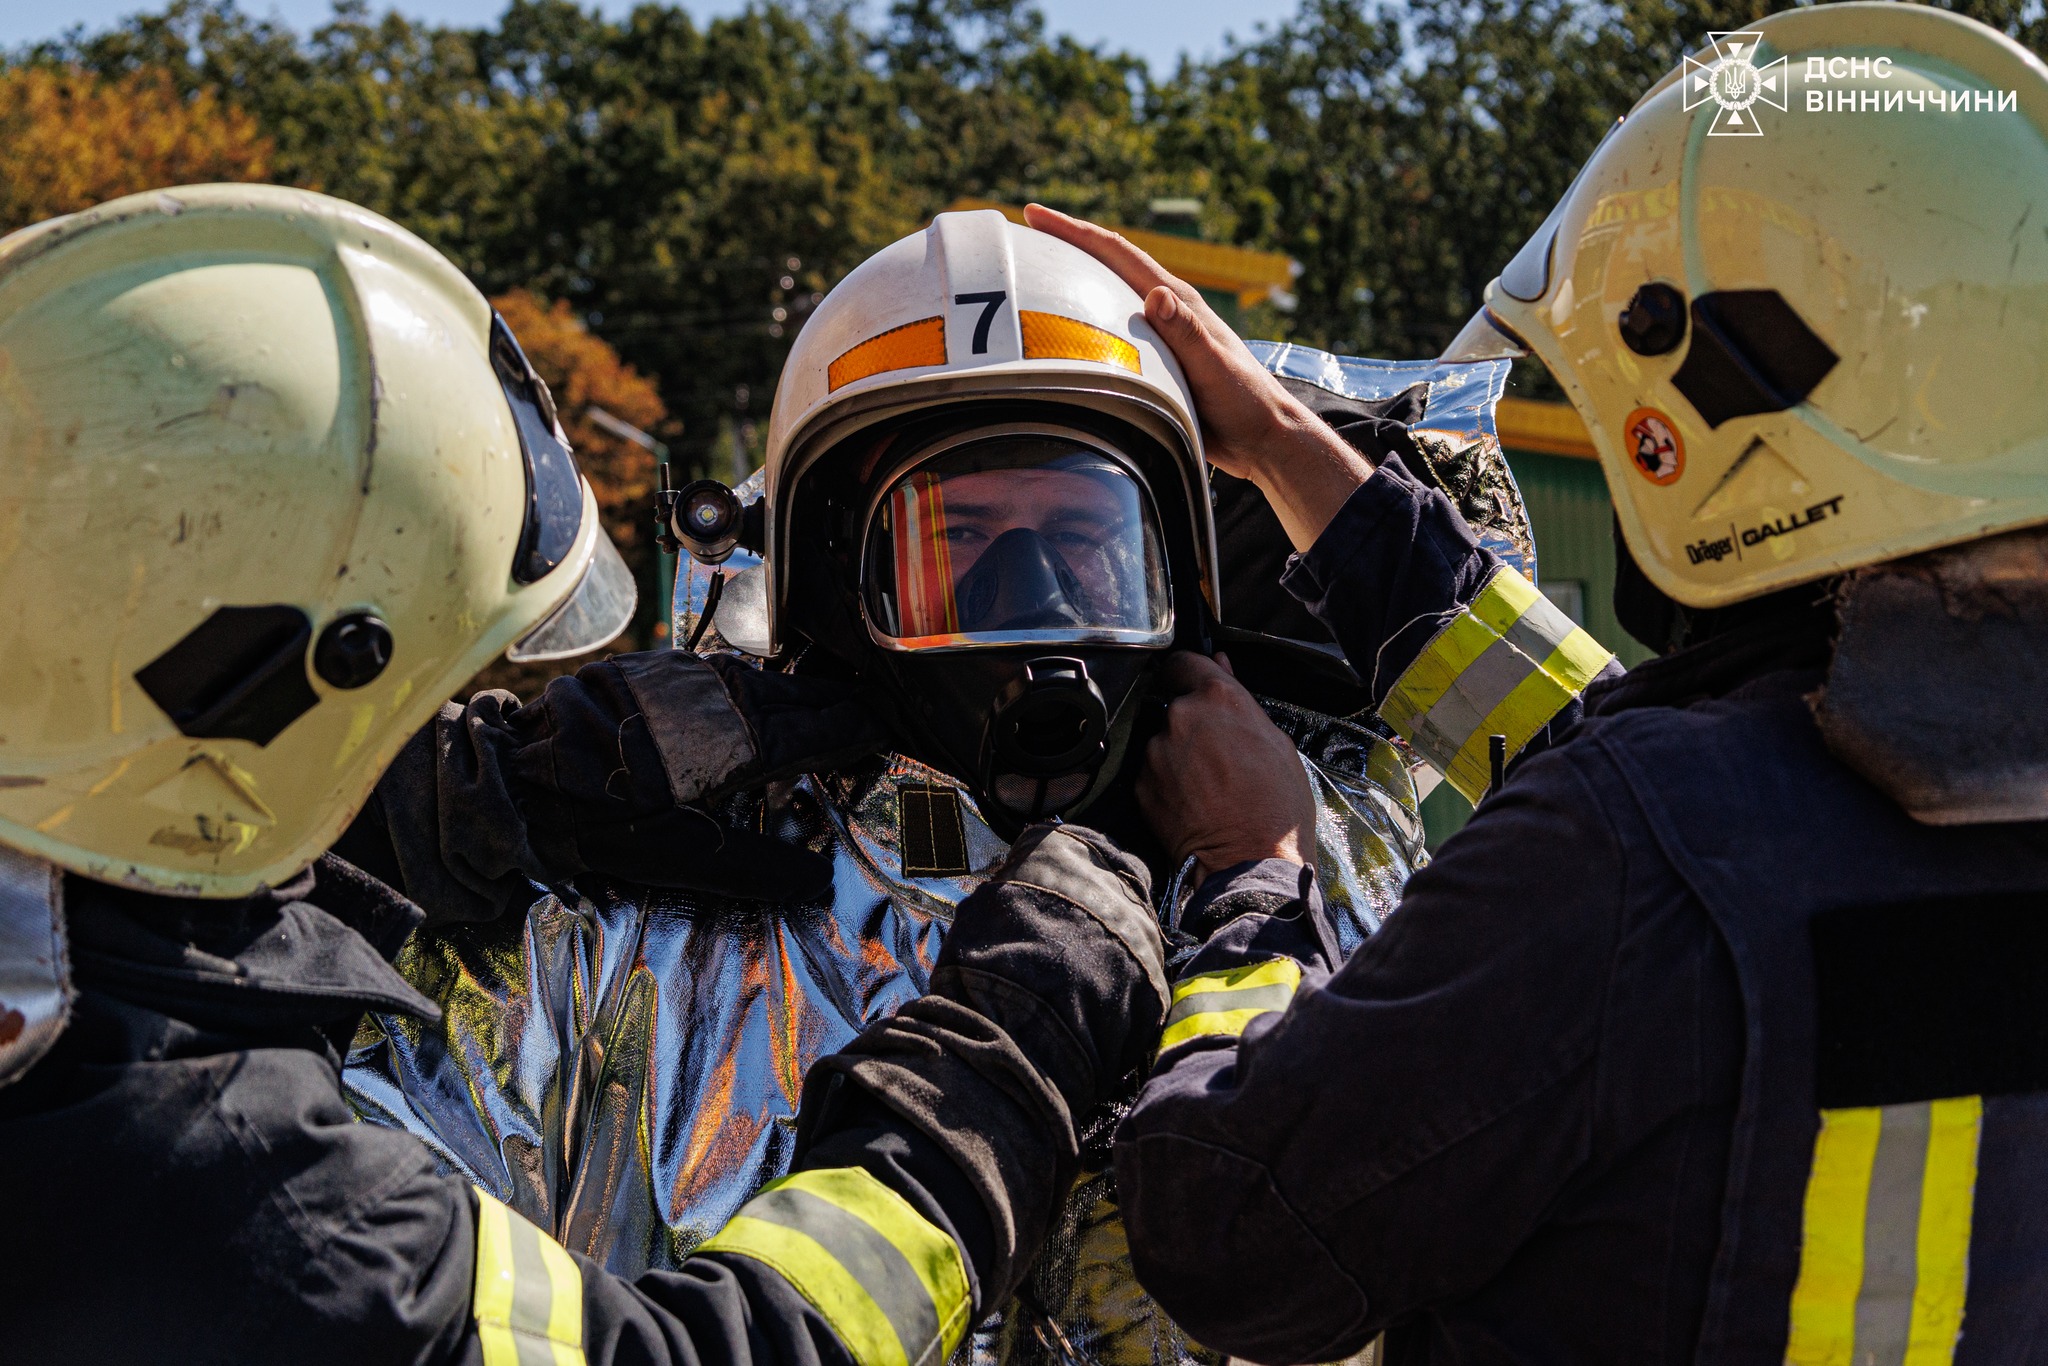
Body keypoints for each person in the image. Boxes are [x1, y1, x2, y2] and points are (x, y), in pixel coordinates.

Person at [0, 183, 1173, 1366]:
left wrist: (451, 798)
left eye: (1084, 542)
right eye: (429, 702)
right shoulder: (248, 1197)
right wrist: (995, 1075)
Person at [1030, 5, 2048, 1362]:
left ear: (1721, 413)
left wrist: (1256, 872)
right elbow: (1668, 772)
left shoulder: (1633, 853)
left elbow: (1231, 1234)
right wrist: (1285, 447)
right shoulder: (1852, 789)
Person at [345, 208, 1535, 1364]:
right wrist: (404, 821)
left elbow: (1636, 791)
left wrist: (1256, 882)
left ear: (1175, 577)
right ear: (831, 591)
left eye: (1083, 541)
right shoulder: (605, 943)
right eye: (956, 542)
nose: (1037, 601)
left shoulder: (1347, 877)